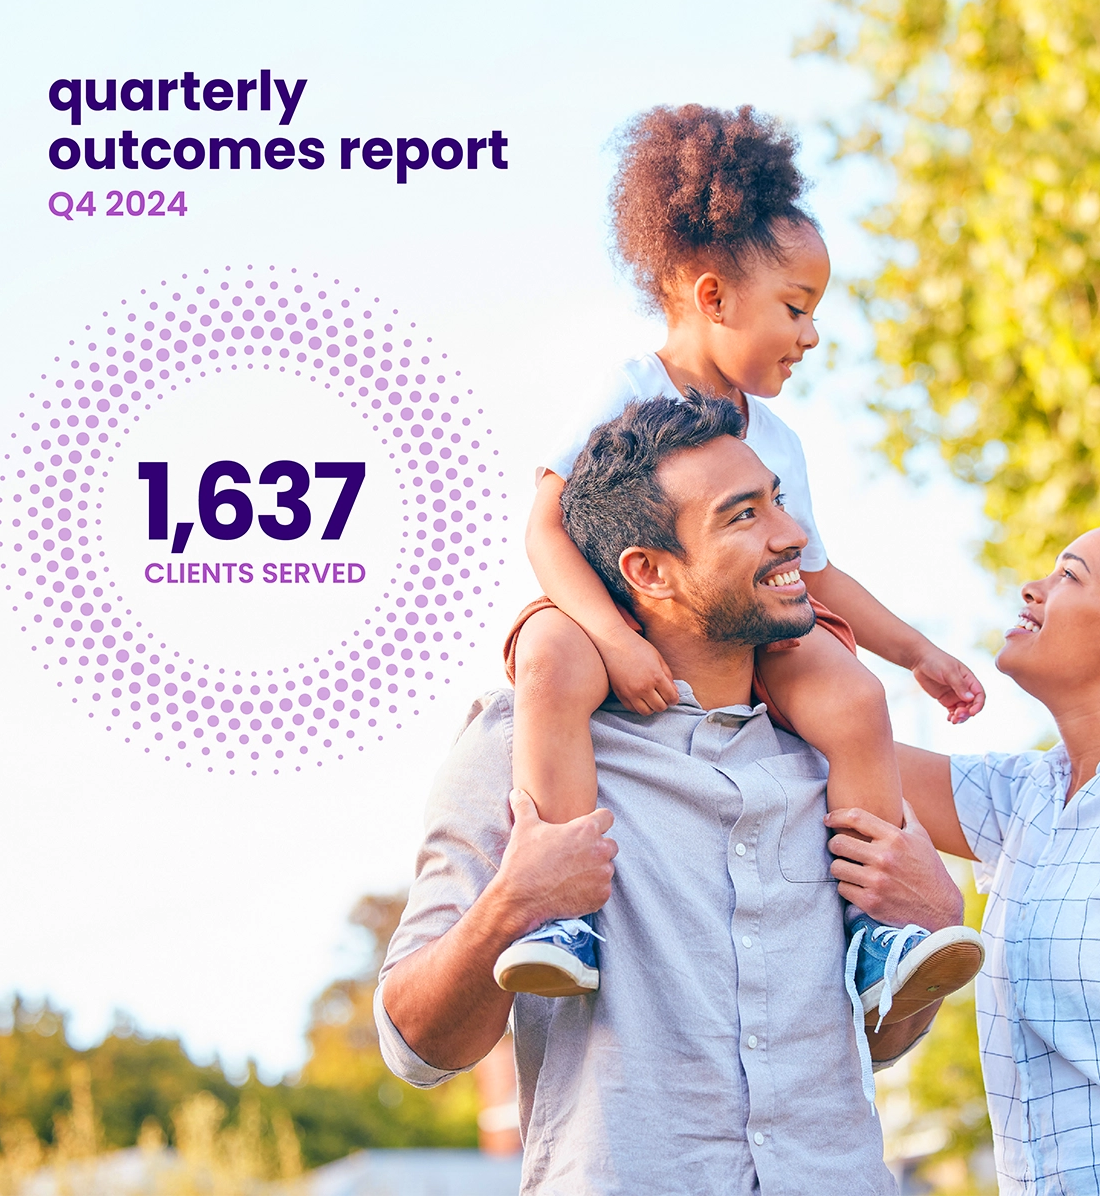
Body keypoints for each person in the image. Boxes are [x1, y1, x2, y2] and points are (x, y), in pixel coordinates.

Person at [376, 394, 969, 1194]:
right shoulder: (524, 744)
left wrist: (926, 919)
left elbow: (884, 1036)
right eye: (742, 516)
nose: (791, 536)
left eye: (778, 503)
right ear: (648, 571)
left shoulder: (836, 745)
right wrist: (512, 907)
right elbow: (415, 1045)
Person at [496, 104, 985, 1017]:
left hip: (744, 626)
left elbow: (821, 572)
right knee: (550, 661)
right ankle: (558, 913)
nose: (808, 335)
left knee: (853, 697)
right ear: (712, 296)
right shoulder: (628, 388)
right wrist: (613, 635)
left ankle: (875, 932)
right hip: (626, 611)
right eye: (794, 309)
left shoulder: (779, 440)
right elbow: (546, 530)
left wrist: (915, 652)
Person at [833, 510, 1100, 1193]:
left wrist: (941, 915)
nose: (1032, 588)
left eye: (1068, 575)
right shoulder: (1030, 795)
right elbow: (836, 738)